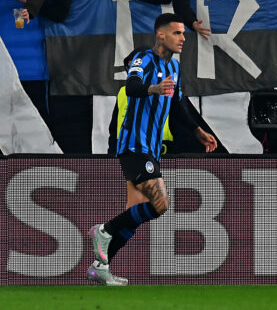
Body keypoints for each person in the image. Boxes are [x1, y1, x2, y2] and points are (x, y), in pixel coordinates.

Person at [87, 14, 217, 285]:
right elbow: (132, 86)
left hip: (152, 149)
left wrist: (198, 131)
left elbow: (178, 105)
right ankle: (105, 230)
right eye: (178, 33)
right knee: (160, 205)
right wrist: (154, 88)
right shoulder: (143, 59)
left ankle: (101, 266)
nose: (183, 38)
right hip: (135, 145)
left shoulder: (175, 68)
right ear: (161, 34)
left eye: (184, 34)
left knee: (135, 213)